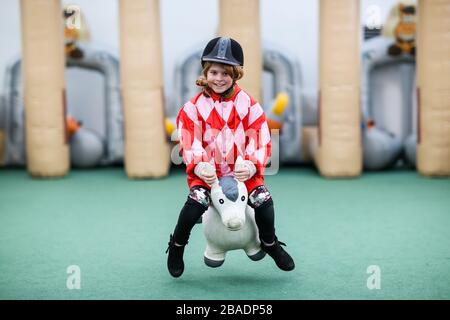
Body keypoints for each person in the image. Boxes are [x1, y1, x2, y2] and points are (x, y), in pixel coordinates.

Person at [166, 37, 295, 277]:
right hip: (208, 174)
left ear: (236, 74)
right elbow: (187, 138)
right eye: (214, 72)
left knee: (264, 202)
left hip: (242, 173)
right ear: (206, 71)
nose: (219, 78)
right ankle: (177, 246)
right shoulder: (193, 107)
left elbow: (260, 137)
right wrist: (200, 164)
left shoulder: (249, 105)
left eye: (225, 73)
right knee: (193, 206)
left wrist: (251, 163)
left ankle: (269, 242)